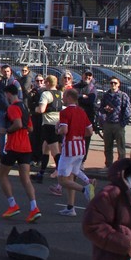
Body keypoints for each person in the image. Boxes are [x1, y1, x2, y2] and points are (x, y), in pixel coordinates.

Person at [0, 84, 40, 223]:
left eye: (6, 95)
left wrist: (6, 130)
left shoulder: (13, 107)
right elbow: (30, 128)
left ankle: (12, 204)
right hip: (25, 146)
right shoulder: (24, 107)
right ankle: (34, 207)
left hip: (14, 146)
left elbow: (18, 124)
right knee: (25, 178)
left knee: (2, 175)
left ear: (8, 94)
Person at [56, 87, 94, 216]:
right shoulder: (82, 112)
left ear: (69, 98)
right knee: (71, 177)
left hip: (69, 148)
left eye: (64, 96)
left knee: (62, 179)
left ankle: (85, 189)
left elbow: (64, 130)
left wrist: (57, 129)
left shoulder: (65, 112)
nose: (62, 98)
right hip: (81, 147)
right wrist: (79, 134)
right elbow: (90, 131)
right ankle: (70, 207)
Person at [96, 76, 131, 167]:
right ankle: (108, 165)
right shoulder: (106, 95)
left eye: (115, 83)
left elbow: (127, 111)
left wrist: (123, 123)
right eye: (111, 83)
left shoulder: (123, 96)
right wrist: (104, 112)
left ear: (119, 85)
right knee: (108, 147)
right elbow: (101, 109)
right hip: (108, 124)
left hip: (118, 124)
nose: (113, 85)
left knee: (121, 147)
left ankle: (121, 165)